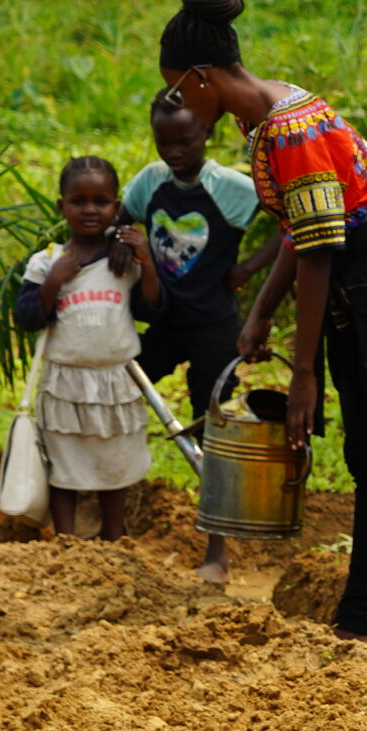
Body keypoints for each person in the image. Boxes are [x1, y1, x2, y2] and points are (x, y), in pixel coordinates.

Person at [158, 0, 367, 647]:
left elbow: (320, 251)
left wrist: (304, 373)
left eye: (176, 89)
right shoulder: (268, 113)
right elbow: (303, 233)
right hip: (356, 287)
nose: (175, 105)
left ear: (202, 78)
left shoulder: (288, 132)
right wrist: (260, 314)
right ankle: (357, 617)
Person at [122, 92, 280, 584]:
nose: (174, 151)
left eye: (185, 141)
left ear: (207, 135)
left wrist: (250, 267)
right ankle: (105, 511)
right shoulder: (150, 184)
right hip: (164, 322)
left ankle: (217, 552)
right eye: (163, 142)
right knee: (119, 390)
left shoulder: (230, 188)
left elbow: (290, 221)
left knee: (211, 427)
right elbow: (120, 219)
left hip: (214, 325)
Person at [15, 157, 163, 539]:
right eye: (78, 201)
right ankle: (66, 542)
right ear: (61, 206)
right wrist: (54, 283)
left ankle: (114, 538)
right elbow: (26, 316)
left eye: (101, 201)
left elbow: (151, 307)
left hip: (116, 381)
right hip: (66, 382)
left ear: (117, 207)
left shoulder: (123, 260)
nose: (90, 210)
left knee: (114, 463)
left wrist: (146, 262)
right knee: (65, 465)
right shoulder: (47, 262)